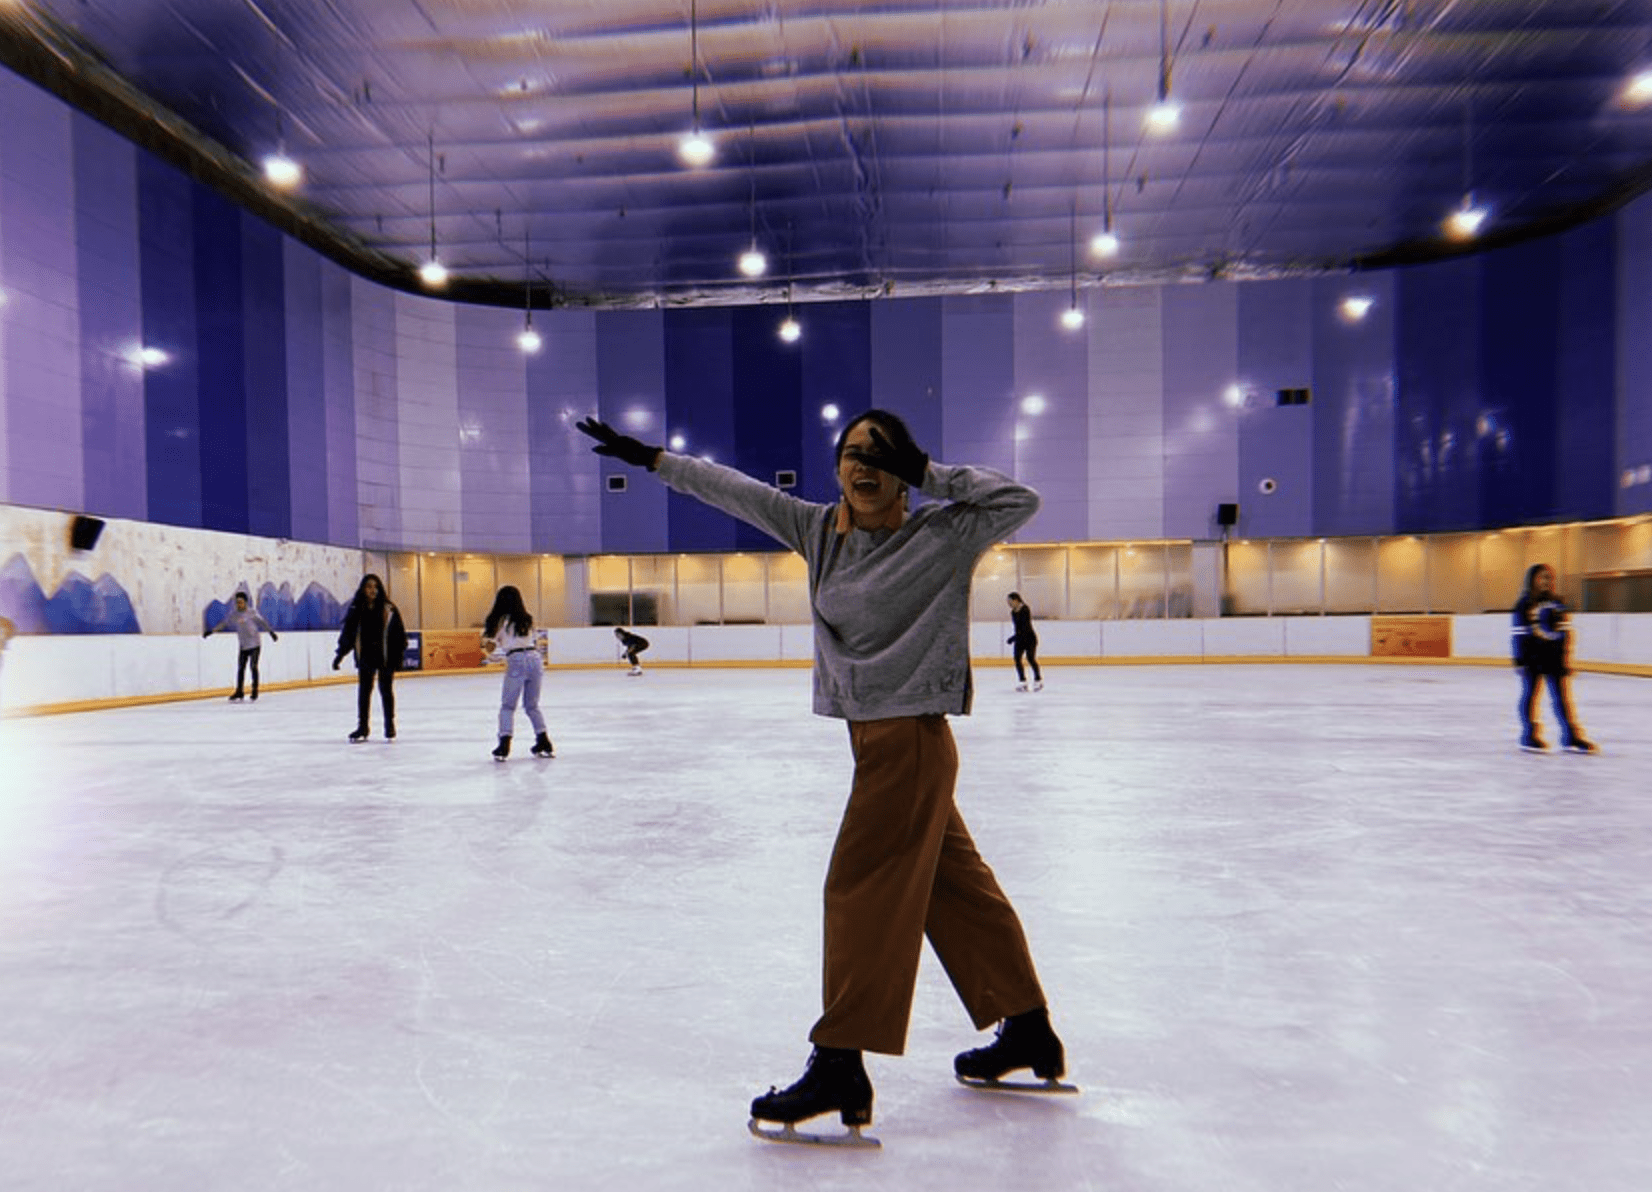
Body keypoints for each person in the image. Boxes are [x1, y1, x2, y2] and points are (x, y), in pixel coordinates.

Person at [577, 410, 1070, 1146]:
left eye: (879, 455)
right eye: (849, 454)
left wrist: (931, 473)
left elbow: (1017, 500)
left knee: (858, 887)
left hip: (911, 739)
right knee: (951, 885)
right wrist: (653, 459)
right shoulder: (819, 532)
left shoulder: (942, 532)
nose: (861, 466)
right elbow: (732, 490)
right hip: (872, 741)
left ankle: (841, 1060)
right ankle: (1027, 1027)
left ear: (901, 466)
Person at [1511, 563, 1597, 754]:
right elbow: (1518, 634)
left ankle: (1570, 736)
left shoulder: (1558, 602)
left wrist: (1565, 660)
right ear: (1532, 579)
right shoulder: (1524, 604)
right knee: (1530, 696)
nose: (1546, 581)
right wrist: (1520, 660)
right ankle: (1528, 734)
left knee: (1562, 699)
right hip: (1533, 659)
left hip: (1554, 659)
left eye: (1549, 577)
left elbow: (1565, 633)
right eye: (1542, 577)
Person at [481, 585, 554, 762]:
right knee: (532, 705)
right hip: (535, 658)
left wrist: (489, 648)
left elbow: (490, 647)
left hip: (516, 660)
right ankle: (543, 740)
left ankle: (504, 743)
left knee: (507, 706)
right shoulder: (527, 619)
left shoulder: (499, 620)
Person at [332, 573, 408, 742]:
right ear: (363, 589)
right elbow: (348, 635)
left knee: (386, 691)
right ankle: (363, 727)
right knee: (364, 693)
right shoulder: (356, 609)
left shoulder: (389, 609)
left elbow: (399, 635)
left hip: (385, 657)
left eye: (375, 587)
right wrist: (339, 655)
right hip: (366, 656)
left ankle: (389, 726)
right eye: (369, 587)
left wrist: (398, 658)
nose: (373, 590)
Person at [202, 590, 278, 701]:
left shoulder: (252, 613)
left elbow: (262, 622)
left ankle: (254, 690)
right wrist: (211, 631)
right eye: (237, 602)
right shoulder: (234, 615)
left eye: (241, 602)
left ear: (246, 603)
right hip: (243, 645)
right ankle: (239, 691)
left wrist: (271, 633)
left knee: (253, 666)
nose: (239, 604)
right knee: (241, 668)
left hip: (255, 644)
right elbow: (224, 624)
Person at [1006, 591, 1042, 692]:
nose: (1009, 603)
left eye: (1010, 601)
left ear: (1016, 600)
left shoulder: (1025, 609)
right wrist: (1015, 637)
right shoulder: (1013, 612)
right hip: (1019, 639)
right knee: (1017, 659)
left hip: (1029, 638)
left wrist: (1013, 638)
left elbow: (1025, 627)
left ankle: (1038, 680)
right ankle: (1023, 682)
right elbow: (1017, 628)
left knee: (1030, 658)